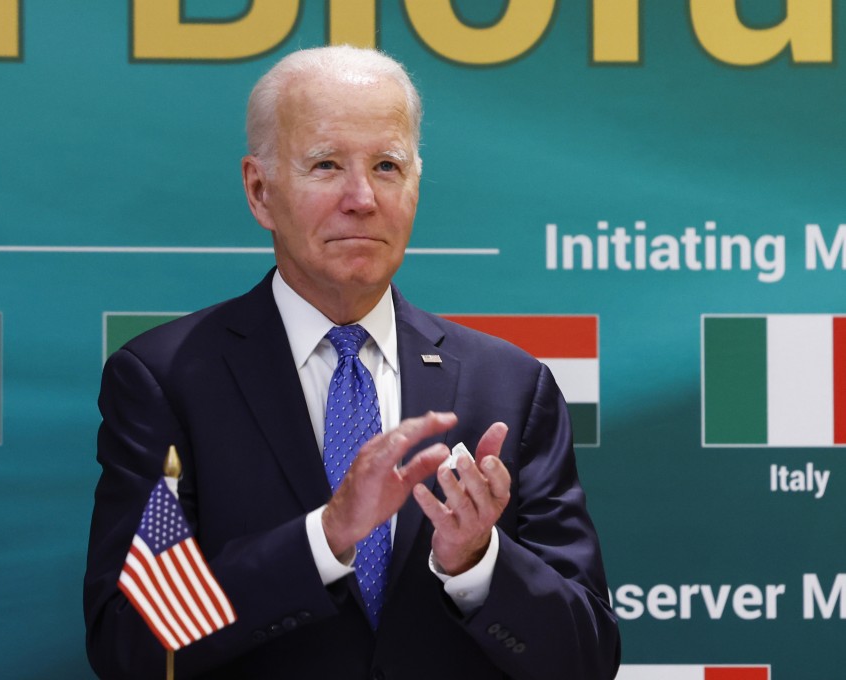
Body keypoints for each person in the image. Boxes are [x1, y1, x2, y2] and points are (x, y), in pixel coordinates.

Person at [84, 45, 620, 679]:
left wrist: (476, 560)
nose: (362, 197)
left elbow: (586, 661)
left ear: (416, 187)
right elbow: (132, 644)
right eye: (327, 164)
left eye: (387, 165)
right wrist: (326, 538)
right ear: (260, 191)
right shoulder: (166, 380)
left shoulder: (510, 386)